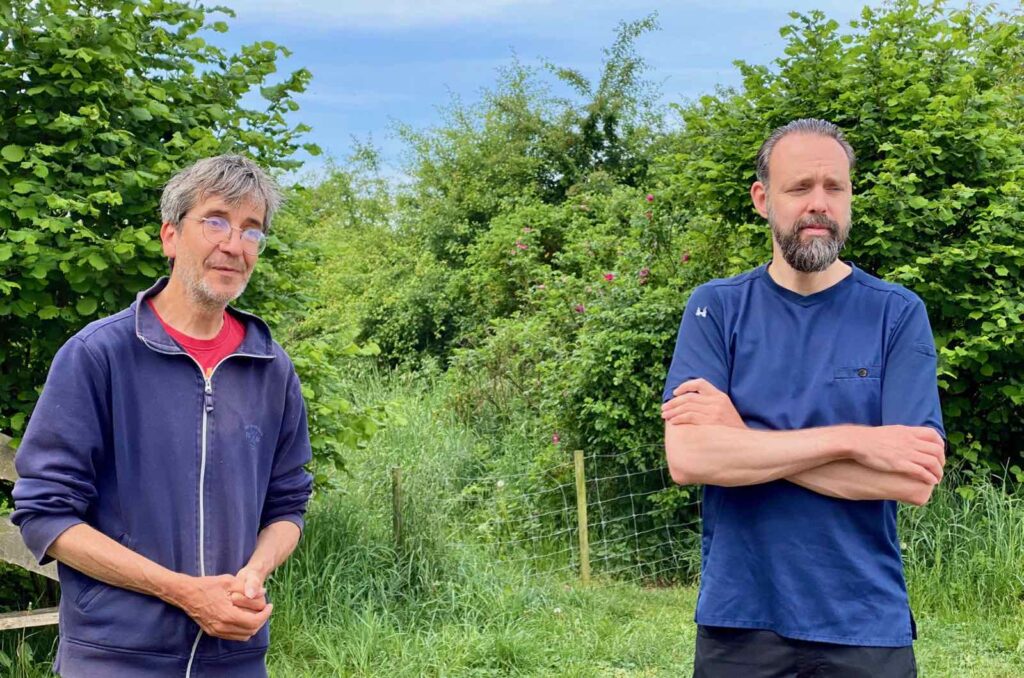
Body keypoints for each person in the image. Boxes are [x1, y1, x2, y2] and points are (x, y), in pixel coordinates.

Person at [661, 119, 946, 678]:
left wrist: (742, 439)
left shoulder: (896, 313)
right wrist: (855, 442)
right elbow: (691, 458)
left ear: (849, 197)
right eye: (799, 188)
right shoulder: (716, 308)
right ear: (762, 199)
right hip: (740, 620)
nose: (819, 203)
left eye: (833, 187)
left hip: (865, 621)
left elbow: (913, 481)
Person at [12, 155, 313, 677]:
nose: (234, 245)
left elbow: (288, 504)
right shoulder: (99, 355)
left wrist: (254, 573)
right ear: (170, 236)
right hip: (115, 657)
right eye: (215, 221)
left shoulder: (271, 367)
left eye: (251, 230)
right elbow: (46, 514)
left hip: (234, 656)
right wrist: (183, 592)